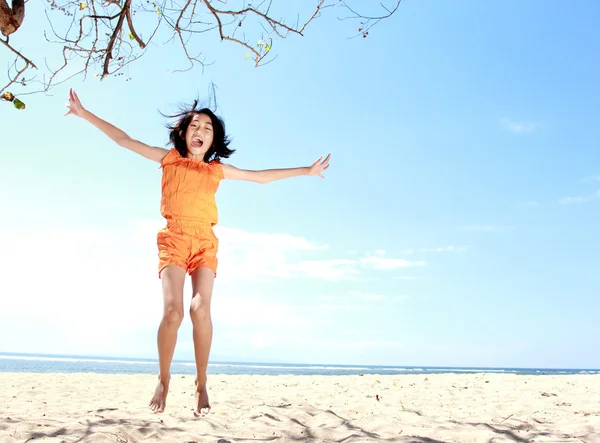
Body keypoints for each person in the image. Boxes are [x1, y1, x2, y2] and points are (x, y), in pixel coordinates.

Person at [65, 88, 330, 416]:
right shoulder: (169, 159)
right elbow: (124, 139)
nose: (200, 131)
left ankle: (201, 383)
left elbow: (260, 178)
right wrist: (84, 113)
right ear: (183, 133)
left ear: (214, 137)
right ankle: (163, 380)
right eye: (194, 126)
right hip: (174, 239)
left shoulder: (216, 170)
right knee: (174, 312)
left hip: (204, 242)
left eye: (207, 127)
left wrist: (306, 170)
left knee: (200, 309)